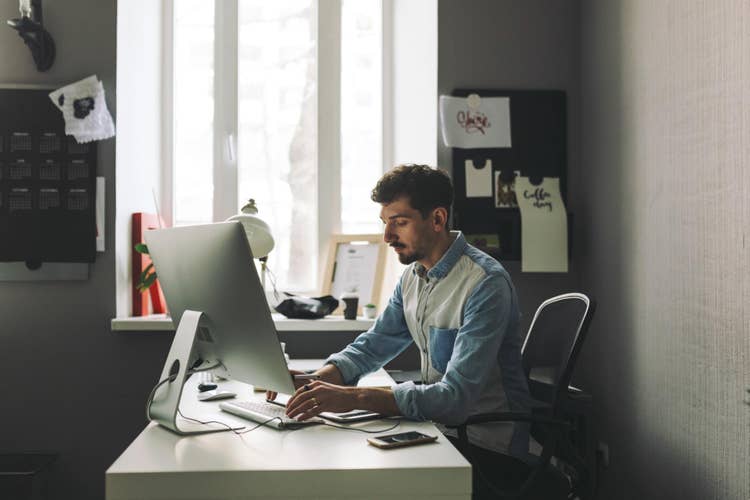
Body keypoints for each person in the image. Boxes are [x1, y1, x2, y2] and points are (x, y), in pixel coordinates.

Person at [272, 164, 532, 492]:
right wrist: (317, 383)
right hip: (442, 430)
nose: (387, 237)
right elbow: (376, 342)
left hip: (488, 446)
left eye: (400, 222)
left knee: (362, 483)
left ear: (437, 219)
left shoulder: (485, 284)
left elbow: (455, 400)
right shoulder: (413, 277)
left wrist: (352, 397)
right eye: (385, 223)